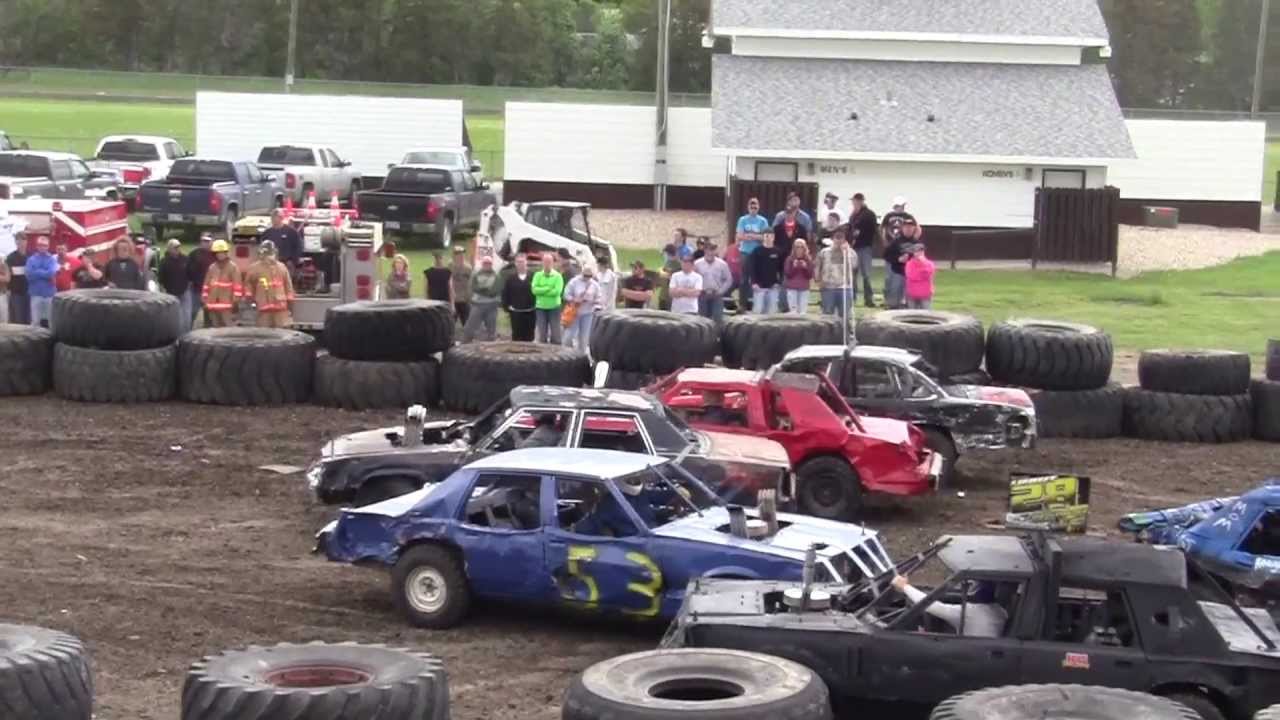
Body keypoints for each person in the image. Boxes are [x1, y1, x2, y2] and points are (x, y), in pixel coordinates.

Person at [891, 574, 1007, 638]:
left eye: (972, 586)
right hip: (981, 651)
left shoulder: (971, 612)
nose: (969, 589)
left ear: (977, 591)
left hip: (969, 655)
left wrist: (904, 587)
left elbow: (933, 607)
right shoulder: (1000, 612)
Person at [243, 240, 295, 328]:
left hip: (280, 310)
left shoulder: (282, 267)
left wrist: (290, 305)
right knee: (264, 336)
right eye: (267, 254)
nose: (270, 257)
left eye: (271, 254)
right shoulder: (254, 268)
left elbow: (288, 287)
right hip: (263, 310)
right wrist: (250, 300)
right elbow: (248, 285)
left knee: (281, 336)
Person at [734, 198, 769, 312]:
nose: (753, 209)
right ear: (748, 207)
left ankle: (759, 304)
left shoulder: (763, 221)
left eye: (755, 207)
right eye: (751, 207)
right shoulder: (742, 220)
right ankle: (742, 305)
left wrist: (750, 236)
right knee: (744, 279)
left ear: (758, 207)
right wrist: (756, 236)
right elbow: (739, 236)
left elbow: (765, 236)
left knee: (759, 278)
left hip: (759, 253)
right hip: (745, 252)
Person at [816, 229, 856, 321]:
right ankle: (828, 334)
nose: (839, 240)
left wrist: (845, 253)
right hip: (828, 287)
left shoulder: (851, 253)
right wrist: (818, 280)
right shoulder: (824, 252)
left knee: (845, 314)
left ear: (845, 240)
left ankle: (845, 333)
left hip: (845, 287)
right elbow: (818, 265)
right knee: (827, 313)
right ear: (832, 239)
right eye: (837, 238)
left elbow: (853, 266)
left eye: (841, 238)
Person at [201, 240, 242, 327]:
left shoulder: (232, 267)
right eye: (217, 253)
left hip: (227, 305)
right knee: (215, 329)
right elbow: (206, 285)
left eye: (222, 252)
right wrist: (204, 298)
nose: (219, 255)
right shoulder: (212, 267)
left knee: (228, 329)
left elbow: (237, 286)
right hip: (212, 304)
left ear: (226, 253)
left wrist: (235, 301)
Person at [562, 263, 601, 352]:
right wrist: (574, 299)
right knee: (569, 336)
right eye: (585, 275)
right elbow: (566, 294)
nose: (587, 278)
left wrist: (594, 303)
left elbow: (599, 297)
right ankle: (566, 352)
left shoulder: (594, 285)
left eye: (589, 276)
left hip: (587, 313)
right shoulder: (574, 282)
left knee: (584, 338)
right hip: (574, 312)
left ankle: (582, 356)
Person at [849, 193, 878, 307]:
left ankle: (868, 298)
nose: (854, 203)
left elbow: (870, 230)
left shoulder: (868, 214)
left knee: (866, 274)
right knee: (853, 274)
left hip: (865, 246)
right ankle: (852, 297)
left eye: (855, 201)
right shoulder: (853, 215)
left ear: (860, 201)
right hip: (854, 247)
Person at [463, 255, 501, 342]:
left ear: (492, 264)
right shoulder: (476, 274)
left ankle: (490, 350)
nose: (487, 265)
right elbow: (473, 287)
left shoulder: (496, 276)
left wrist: (483, 289)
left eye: (489, 263)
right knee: (469, 328)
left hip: (492, 306)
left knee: (491, 330)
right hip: (478, 305)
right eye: (485, 263)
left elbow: (496, 290)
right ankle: (464, 345)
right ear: (482, 264)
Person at [501, 252, 537, 342]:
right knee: (516, 335)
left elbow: (538, 291)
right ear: (515, 264)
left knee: (529, 336)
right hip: (515, 312)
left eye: (522, 261)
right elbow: (505, 293)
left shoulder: (534, 276)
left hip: (530, 311)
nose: (520, 264)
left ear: (526, 262)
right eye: (518, 262)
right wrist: (506, 306)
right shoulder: (510, 278)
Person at [694, 242, 732, 323]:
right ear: (705, 251)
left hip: (716, 294)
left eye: (712, 250)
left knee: (717, 318)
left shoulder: (722, 264)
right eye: (708, 250)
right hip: (702, 295)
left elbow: (729, 279)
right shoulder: (697, 264)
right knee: (702, 319)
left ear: (715, 251)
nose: (710, 252)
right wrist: (698, 290)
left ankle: (716, 335)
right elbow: (694, 278)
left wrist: (721, 291)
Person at [157, 239, 191, 329]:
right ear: (169, 249)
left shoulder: (185, 259)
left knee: (187, 317)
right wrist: (163, 291)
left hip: (185, 292)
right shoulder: (164, 262)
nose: (177, 249)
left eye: (178, 247)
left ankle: (185, 337)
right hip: (171, 294)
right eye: (175, 247)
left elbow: (190, 273)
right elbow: (160, 279)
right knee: (173, 318)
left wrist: (189, 286)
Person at [25, 236, 57, 329]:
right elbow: (29, 276)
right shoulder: (30, 259)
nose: (42, 247)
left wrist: (37, 271)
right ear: (37, 246)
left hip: (49, 294)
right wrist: (44, 273)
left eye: (45, 245)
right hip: (35, 294)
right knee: (35, 322)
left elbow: (51, 273)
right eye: (40, 245)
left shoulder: (52, 259)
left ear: (48, 246)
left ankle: (51, 342)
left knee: (52, 321)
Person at [532, 252, 565, 344]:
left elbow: (557, 292)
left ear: (552, 263)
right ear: (542, 263)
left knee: (556, 334)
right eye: (545, 262)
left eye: (549, 262)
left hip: (554, 307)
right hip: (540, 308)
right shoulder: (537, 275)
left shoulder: (558, 276)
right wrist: (548, 288)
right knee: (542, 334)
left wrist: (541, 290)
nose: (547, 264)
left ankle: (556, 354)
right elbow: (534, 290)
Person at [882, 218, 915, 309]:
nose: (908, 229)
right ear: (902, 228)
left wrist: (911, 259)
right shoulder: (895, 242)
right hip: (898, 272)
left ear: (914, 229)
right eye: (906, 227)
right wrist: (898, 259)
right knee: (894, 299)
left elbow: (922, 258)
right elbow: (886, 256)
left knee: (910, 300)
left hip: (912, 275)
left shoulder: (917, 243)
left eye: (910, 227)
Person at [749, 232, 784, 315]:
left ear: (774, 237)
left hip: (773, 286)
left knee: (772, 311)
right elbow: (751, 268)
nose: (768, 238)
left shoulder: (778, 251)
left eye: (771, 236)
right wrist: (753, 283)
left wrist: (779, 283)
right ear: (763, 237)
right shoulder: (756, 251)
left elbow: (782, 269)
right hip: (759, 286)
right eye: (766, 236)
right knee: (758, 310)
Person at [186, 233, 216, 327]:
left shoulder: (216, 254)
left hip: (211, 289)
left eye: (207, 241)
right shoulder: (194, 254)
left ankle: (207, 332)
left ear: (212, 242)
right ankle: (188, 330)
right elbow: (187, 268)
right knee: (192, 312)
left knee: (209, 314)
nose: (205, 243)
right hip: (196, 289)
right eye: (203, 241)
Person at [783, 241, 815, 315]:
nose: (799, 249)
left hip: (804, 288)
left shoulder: (808, 259)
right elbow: (787, 274)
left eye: (801, 247)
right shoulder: (789, 259)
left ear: (805, 248)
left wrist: (805, 267)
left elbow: (810, 275)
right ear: (794, 248)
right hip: (792, 288)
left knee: (803, 312)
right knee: (793, 312)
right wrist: (794, 267)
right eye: (797, 247)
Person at [5, 233, 29, 325]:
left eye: (23, 240)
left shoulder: (32, 255)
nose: (21, 242)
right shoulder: (10, 257)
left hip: (30, 292)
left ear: (27, 242)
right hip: (16, 293)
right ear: (15, 242)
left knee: (29, 319)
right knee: (18, 320)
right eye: (18, 240)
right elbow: (8, 276)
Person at [904, 242, 935, 310]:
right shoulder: (909, 264)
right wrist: (922, 275)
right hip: (912, 293)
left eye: (921, 251)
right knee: (912, 314)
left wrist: (924, 264)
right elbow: (911, 276)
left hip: (925, 294)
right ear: (913, 253)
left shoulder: (929, 263)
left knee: (926, 315)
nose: (919, 253)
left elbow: (929, 273)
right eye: (916, 251)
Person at [450, 245, 473, 326]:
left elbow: (471, 283)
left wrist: (469, 297)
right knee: (451, 323)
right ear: (454, 255)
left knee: (467, 323)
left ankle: (467, 338)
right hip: (453, 300)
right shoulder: (450, 267)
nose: (461, 255)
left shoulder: (468, 268)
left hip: (465, 300)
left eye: (462, 253)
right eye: (458, 254)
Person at [657, 243, 681, 311]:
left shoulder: (678, 264)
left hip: (670, 297)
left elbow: (674, 278)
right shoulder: (668, 262)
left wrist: (662, 272)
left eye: (666, 253)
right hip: (663, 295)